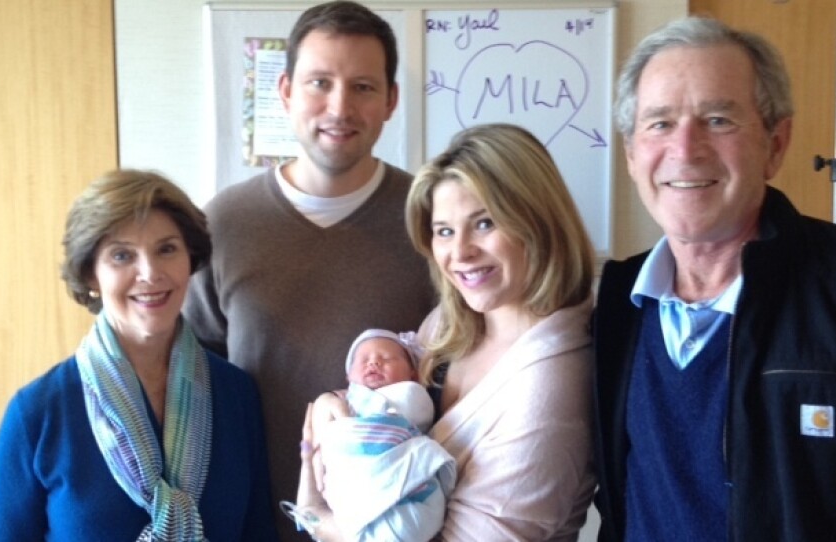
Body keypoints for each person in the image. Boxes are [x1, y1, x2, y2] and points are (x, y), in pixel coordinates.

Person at [592, 16, 836, 542]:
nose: (686, 150)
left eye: (718, 120)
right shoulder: (617, 302)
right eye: (660, 123)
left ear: (776, 144)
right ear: (631, 154)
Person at [182, 3, 434, 538]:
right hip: (250, 524)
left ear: (390, 100)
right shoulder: (222, 224)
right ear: (286, 91)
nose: (339, 107)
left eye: (363, 87)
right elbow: (191, 383)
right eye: (320, 82)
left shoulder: (433, 220)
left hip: (392, 528)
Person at [297, 122, 598, 540]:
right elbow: (373, 405)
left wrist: (319, 518)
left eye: (485, 223)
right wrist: (338, 400)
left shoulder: (551, 385)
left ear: (538, 220)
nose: (460, 253)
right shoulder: (449, 325)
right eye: (444, 231)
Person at [0, 170, 278, 541]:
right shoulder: (38, 412)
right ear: (91, 275)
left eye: (166, 249)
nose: (150, 273)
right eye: (122, 256)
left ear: (190, 259)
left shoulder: (235, 394)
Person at [285, 328, 456, 542]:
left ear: (414, 373)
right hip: (350, 487)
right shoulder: (342, 400)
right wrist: (328, 402)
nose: (373, 363)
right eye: (363, 359)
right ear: (348, 377)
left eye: (387, 358)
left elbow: (416, 413)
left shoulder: (413, 395)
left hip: (406, 489)